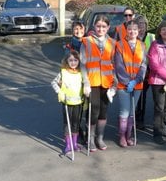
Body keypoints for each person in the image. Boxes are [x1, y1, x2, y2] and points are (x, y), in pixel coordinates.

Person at [80, 14, 117, 152]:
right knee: (93, 111)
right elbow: (83, 64)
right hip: (92, 82)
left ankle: (99, 138)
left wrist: (114, 84)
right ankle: (90, 138)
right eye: (98, 26)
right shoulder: (86, 41)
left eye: (103, 26)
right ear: (94, 26)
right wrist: (86, 83)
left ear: (108, 27)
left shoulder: (113, 43)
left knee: (103, 112)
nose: (101, 29)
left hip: (107, 83)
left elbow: (115, 64)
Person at [114, 20, 147, 147]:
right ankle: (122, 136)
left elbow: (144, 65)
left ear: (138, 31)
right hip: (123, 85)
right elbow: (119, 65)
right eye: (130, 29)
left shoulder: (142, 45)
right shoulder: (119, 45)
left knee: (132, 111)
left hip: (137, 84)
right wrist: (127, 82)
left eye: (135, 29)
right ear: (126, 31)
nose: (132, 31)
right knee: (124, 111)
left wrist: (136, 80)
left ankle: (129, 135)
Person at [51, 50, 89, 154]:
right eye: (71, 60)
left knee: (76, 123)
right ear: (67, 61)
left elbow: (85, 83)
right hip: (67, 102)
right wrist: (60, 92)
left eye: (75, 60)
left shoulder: (81, 72)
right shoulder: (63, 72)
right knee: (68, 124)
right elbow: (53, 82)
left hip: (78, 102)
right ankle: (68, 145)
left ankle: (75, 144)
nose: (73, 62)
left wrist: (86, 90)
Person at [134, 15, 155, 130]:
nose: (142, 25)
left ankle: (140, 119)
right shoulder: (132, 37)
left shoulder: (152, 37)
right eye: (139, 23)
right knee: (134, 95)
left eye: (143, 23)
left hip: (148, 70)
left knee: (142, 96)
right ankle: (132, 118)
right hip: (134, 70)